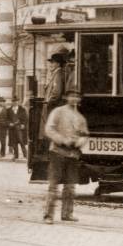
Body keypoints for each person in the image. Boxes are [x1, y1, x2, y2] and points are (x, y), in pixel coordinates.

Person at [43, 87, 89, 223]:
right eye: (72, 96)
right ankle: (48, 215)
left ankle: (67, 214)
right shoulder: (58, 112)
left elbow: (85, 134)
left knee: (70, 186)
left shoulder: (80, 117)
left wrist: (79, 142)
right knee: (53, 185)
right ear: (66, 97)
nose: (74, 99)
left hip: (73, 154)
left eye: (77, 96)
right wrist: (63, 140)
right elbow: (49, 129)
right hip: (57, 152)